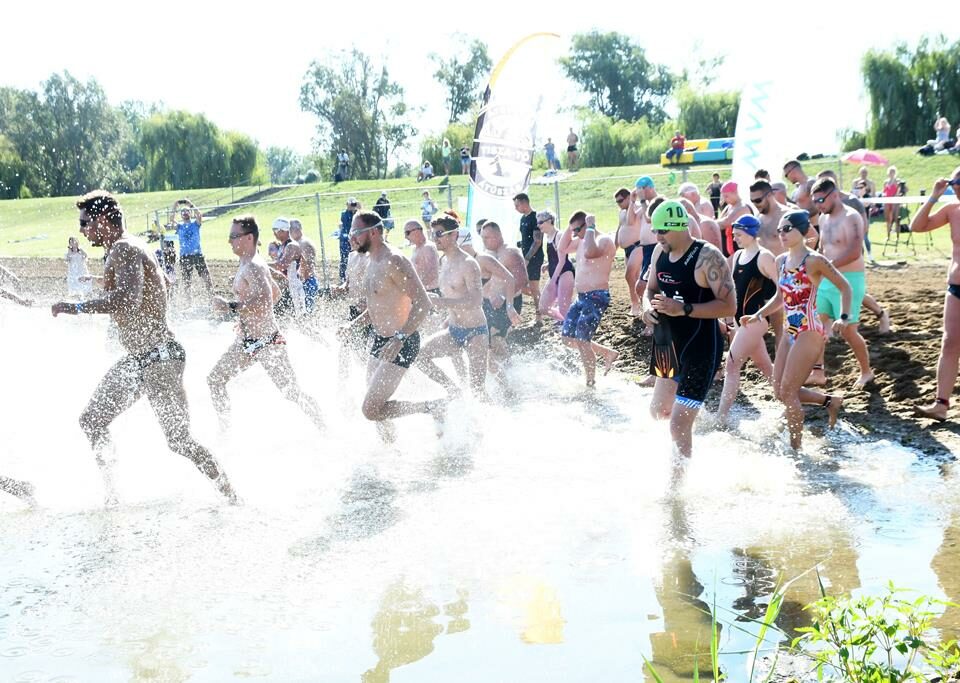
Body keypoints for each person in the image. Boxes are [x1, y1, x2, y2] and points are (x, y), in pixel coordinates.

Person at [51, 190, 236, 504]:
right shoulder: (128, 248)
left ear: (103, 219)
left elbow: (127, 300)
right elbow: (155, 285)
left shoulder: (124, 248)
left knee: (179, 440)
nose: (82, 230)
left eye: (85, 222)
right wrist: (99, 282)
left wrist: (76, 308)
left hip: (159, 358)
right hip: (142, 359)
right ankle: (112, 497)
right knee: (92, 420)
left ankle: (231, 495)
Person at [207, 215, 325, 432]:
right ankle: (225, 431)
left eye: (233, 236)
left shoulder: (253, 265)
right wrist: (247, 319)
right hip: (248, 341)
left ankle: (325, 428)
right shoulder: (248, 262)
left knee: (291, 392)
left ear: (249, 237)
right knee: (215, 379)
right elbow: (276, 293)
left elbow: (263, 300)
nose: (229, 241)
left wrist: (231, 307)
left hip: (268, 343)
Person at [743, 210, 849, 449]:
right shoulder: (780, 261)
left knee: (789, 392)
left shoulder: (814, 261)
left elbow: (845, 287)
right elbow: (781, 297)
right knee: (780, 391)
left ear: (802, 231)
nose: (781, 234)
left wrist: (843, 317)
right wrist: (758, 314)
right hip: (791, 330)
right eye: (779, 230)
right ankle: (829, 402)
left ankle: (796, 451)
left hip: (810, 330)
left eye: (787, 229)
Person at [641, 200, 737, 458]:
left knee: (678, 425)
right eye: (655, 230)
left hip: (700, 347)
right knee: (658, 411)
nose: (657, 236)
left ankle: (678, 490)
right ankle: (695, 431)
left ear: (680, 228)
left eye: (662, 231)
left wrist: (683, 309)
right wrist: (647, 307)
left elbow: (729, 306)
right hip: (667, 342)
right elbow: (650, 290)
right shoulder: (659, 252)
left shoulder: (708, 257)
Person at [338, 211, 443, 426]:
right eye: (350, 232)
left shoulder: (394, 260)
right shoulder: (370, 261)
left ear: (374, 232)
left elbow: (423, 303)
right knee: (377, 408)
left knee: (370, 409)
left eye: (356, 232)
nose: (352, 238)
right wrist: (352, 325)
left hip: (402, 342)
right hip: (381, 341)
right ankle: (390, 451)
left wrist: (399, 338)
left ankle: (432, 407)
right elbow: (377, 306)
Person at [807, 177, 875, 390]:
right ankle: (818, 371)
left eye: (821, 200)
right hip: (828, 279)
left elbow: (855, 252)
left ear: (834, 194)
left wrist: (825, 267)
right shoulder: (823, 218)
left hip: (849, 279)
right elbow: (823, 249)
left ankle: (866, 372)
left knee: (848, 331)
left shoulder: (851, 216)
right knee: (816, 325)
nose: (818, 205)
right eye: (815, 201)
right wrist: (818, 266)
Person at [415, 214, 489, 396]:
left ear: (454, 235)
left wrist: (441, 302)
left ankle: (499, 420)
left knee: (478, 390)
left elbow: (476, 301)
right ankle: (453, 391)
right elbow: (453, 293)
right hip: (454, 329)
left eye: (439, 234)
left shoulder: (468, 264)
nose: (435, 239)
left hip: (476, 331)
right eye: (433, 234)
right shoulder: (443, 261)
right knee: (420, 356)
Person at [716, 215, 778, 424]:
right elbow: (735, 290)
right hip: (740, 321)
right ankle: (792, 397)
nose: (736, 239)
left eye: (739, 235)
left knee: (732, 365)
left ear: (752, 234)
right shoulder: (738, 256)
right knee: (765, 365)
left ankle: (721, 417)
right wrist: (728, 315)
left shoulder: (764, 257)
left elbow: (783, 289)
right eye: (734, 235)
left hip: (755, 320)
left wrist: (764, 314)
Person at [910, 168, 960, 422]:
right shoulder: (952, 209)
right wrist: (933, 196)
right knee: (949, 343)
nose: (957, 186)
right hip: (956, 288)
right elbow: (916, 226)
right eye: (954, 182)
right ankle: (941, 404)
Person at [560, 212, 619, 386]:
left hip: (596, 296)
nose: (576, 234)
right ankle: (607, 353)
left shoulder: (603, 240)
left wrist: (591, 228)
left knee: (583, 340)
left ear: (589, 225)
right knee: (568, 337)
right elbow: (562, 247)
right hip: (581, 297)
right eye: (574, 231)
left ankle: (590, 382)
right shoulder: (580, 240)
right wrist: (571, 228)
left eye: (578, 229)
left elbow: (591, 253)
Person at [477, 221, 524, 381]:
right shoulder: (487, 253)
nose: (484, 241)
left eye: (487, 238)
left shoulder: (510, 252)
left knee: (496, 340)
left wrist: (504, 298)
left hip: (506, 304)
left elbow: (521, 279)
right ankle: (502, 375)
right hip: (490, 305)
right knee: (488, 342)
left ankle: (510, 375)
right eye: (482, 237)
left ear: (498, 236)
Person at [170, 198, 212, 301]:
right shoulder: (179, 226)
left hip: (197, 254)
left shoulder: (195, 224)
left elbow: (199, 215)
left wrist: (190, 204)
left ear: (190, 213)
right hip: (185, 256)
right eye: (182, 212)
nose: (184, 213)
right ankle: (189, 302)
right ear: (181, 215)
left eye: (186, 211)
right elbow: (171, 219)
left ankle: (211, 298)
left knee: (206, 278)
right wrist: (175, 206)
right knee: (186, 281)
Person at [537, 210, 575, 322]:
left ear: (550, 221)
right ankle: (568, 321)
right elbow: (556, 256)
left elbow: (563, 260)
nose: (538, 225)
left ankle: (568, 327)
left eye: (540, 222)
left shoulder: (558, 235)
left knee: (563, 308)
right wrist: (549, 264)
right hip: (555, 273)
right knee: (543, 307)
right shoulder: (548, 237)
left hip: (565, 273)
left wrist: (553, 280)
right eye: (538, 223)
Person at [514, 192, 543, 320]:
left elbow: (537, 241)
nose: (516, 208)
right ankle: (544, 301)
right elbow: (528, 238)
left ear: (524, 203)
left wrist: (527, 258)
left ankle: (539, 315)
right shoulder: (523, 219)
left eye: (517, 205)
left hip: (534, 258)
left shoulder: (535, 218)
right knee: (523, 286)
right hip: (526, 256)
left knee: (534, 287)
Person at [270, 217, 306, 317]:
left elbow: (281, 265)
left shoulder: (292, 245)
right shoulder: (282, 246)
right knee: (283, 318)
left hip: (293, 288)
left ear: (282, 230)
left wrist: (261, 264)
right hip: (286, 288)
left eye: (275, 230)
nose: (274, 233)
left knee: (298, 318)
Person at [289, 219, 319, 313]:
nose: (289, 234)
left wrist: (302, 280)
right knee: (303, 310)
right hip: (306, 281)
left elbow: (306, 265)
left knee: (307, 311)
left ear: (297, 230)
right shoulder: (300, 242)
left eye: (290, 231)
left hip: (307, 281)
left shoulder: (303, 243)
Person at [716, 181, 753, 257]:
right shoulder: (728, 207)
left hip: (740, 252)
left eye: (726, 196)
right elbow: (719, 223)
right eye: (723, 196)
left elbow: (725, 223)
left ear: (735, 192)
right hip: (728, 253)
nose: (725, 199)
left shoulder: (743, 207)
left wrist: (710, 223)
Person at [405, 219, 440, 294]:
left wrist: (417, 288)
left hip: (431, 291)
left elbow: (432, 273)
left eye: (407, 233)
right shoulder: (416, 248)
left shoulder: (428, 248)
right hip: (423, 290)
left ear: (418, 231)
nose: (405, 237)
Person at [339, 198, 359, 282]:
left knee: (356, 257)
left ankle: (354, 276)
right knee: (344, 257)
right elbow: (347, 222)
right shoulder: (344, 214)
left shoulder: (357, 213)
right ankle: (343, 277)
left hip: (354, 238)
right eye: (351, 205)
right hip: (345, 238)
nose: (353, 207)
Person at [882, 166, 902, 240]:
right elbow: (884, 191)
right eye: (890, 172)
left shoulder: (897, 181)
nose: (891, 173)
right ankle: (888, 236)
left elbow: (900, 190)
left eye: (893, 172)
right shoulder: (886, 182)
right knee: (888, 219)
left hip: (895, 201)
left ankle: (897, 236)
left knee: (896, 218)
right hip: (887, 201)